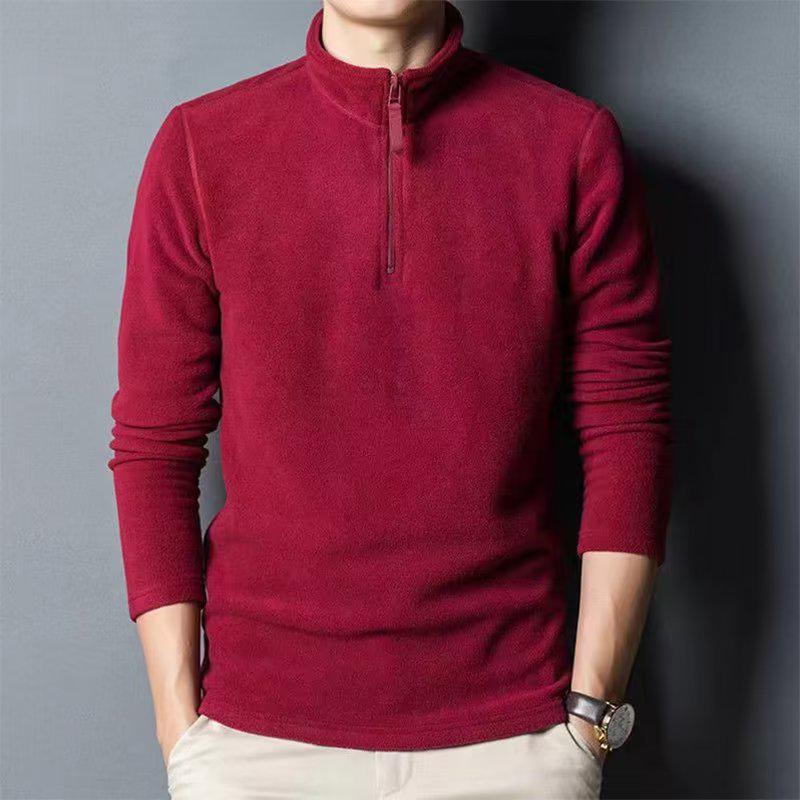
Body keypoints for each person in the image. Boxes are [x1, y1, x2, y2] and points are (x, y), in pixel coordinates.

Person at [108, 1, 672, 797]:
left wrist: (589, 717)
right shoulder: (202, 146)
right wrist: (182, 730)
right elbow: (155, 442)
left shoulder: (572, 144)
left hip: (514, 736)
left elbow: (628, 426)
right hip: (256, 744)